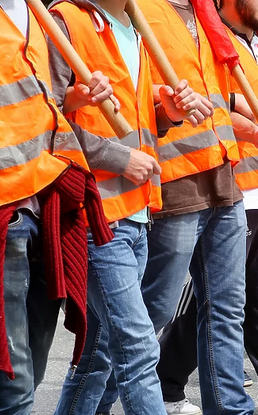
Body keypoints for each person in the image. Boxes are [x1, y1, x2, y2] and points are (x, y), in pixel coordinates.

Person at [47, 0, 200, 412]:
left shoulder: (133, 27)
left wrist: (166, 115)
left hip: (136, 211)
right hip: (94, 216)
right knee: (138, 349)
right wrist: (118, 158)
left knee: (99, 355)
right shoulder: (67, 20)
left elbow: (135, 122)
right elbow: (45, 122)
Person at [0, 2, 113, 412]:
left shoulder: (34, 15)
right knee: (14, 384)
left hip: (45, 208)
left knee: (32, 367)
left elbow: (37, 107)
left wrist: (74, 97)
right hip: (7, 213)